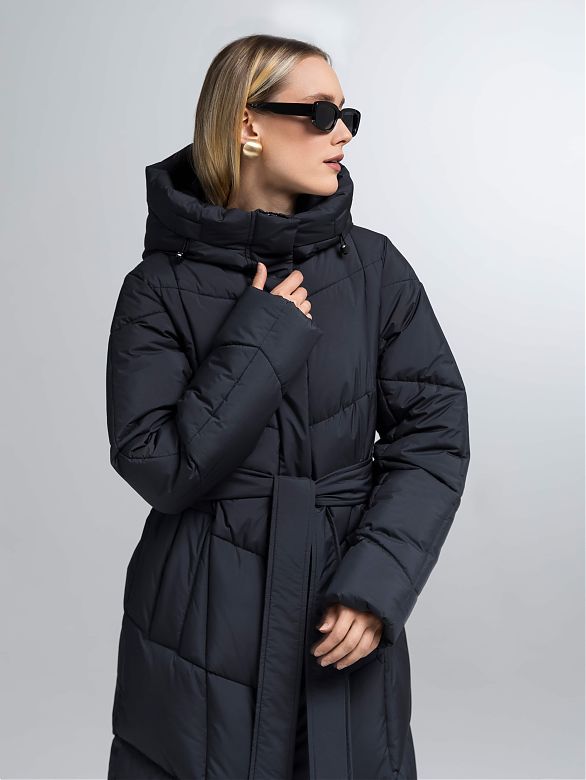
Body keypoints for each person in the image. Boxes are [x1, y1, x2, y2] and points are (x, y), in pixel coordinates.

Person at [106, 33, 470, 780]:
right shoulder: (157, 290)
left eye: (347, 115)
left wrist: (376, 585)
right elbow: (157, 466)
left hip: (341, 598)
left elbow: (434, 436)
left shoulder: (374, 269)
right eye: (321, 112)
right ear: (248, 124)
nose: (343, 133)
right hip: (203, 612)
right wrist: (260, 341)